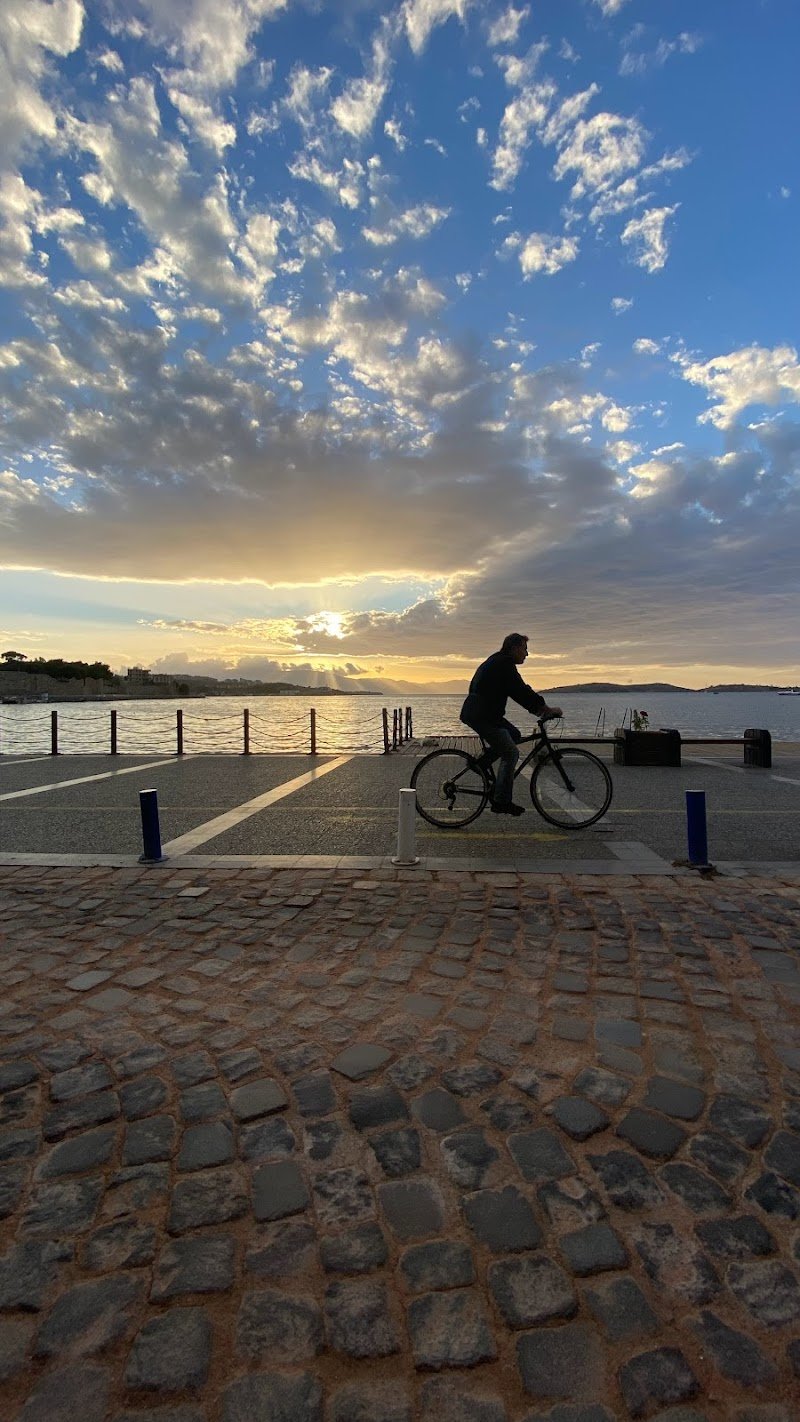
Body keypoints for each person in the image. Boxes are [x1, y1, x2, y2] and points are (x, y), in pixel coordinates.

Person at [460, 633, 563, 816]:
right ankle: (502, 801)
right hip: (482, 715)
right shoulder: (504, 664)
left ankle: (480, 763)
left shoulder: (498, 661)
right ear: (514, 648)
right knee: (511, 752)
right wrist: (544, 709)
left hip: (483, 713)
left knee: (514, 736)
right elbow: (520, 691)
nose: (527, 654)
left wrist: (538, 708)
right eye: (524, 649)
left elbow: (518, 691)